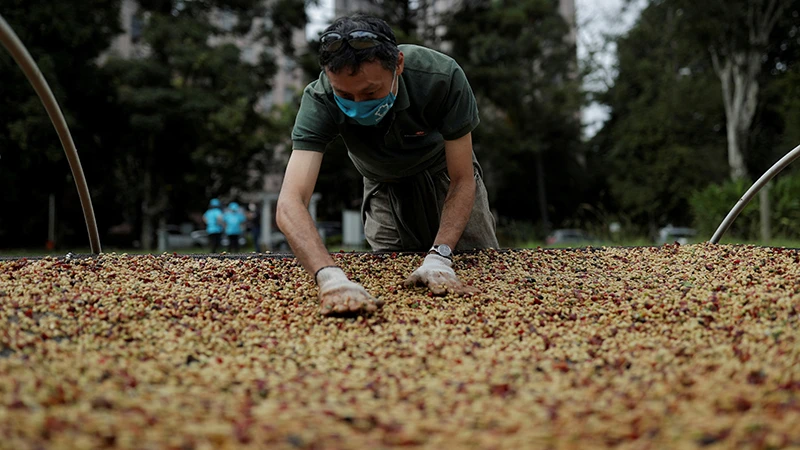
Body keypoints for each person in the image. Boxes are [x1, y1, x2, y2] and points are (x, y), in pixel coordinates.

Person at [276, 14, 498, 316]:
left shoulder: (441, 78)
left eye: (370, 93)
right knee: (392, 276)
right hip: (382, 185)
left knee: (476, 267)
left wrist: (440, 255)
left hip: (444, 176)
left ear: (399, 65)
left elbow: (462, 177)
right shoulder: (319, 99)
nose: (356, 104)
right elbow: (291, 201)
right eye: (344, 94)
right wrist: (328, 276)